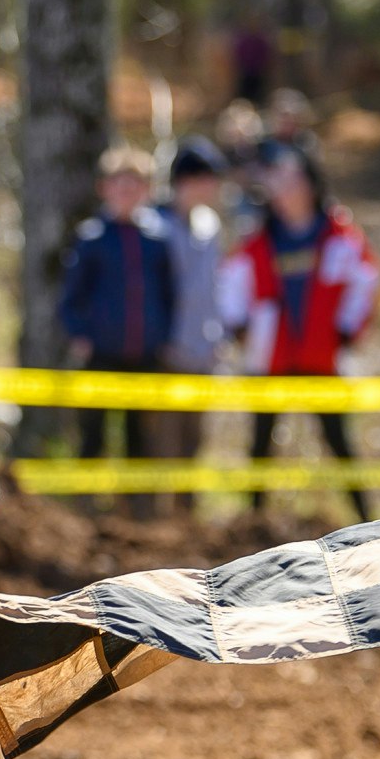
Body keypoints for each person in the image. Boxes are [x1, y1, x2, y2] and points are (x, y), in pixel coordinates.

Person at [217, 144, 380, 520]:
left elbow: (366, 281)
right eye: (279, 182)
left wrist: (347, 330)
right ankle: (253, 524)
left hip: (322, 358)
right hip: (268, 359)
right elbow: (232, 286)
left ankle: (367, 520)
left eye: (293, 181)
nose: (285, 190)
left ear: (311, 185)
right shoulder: (258, 241)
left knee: (340, 442)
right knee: (259, 444)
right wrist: (239, 327)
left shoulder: (339, 237)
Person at [53, 146, 177, 478]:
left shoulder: (157, 239)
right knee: (93, 432)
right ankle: (87, 503)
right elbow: (70, 298)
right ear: (105, 189)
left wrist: (162, 337)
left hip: (145, 355)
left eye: (135, 186)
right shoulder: (91, 239)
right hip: (101, 354)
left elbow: (168, 295)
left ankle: (134, 512)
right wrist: (81, 336)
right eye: (120, 186)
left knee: (139, 436)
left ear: (147, 190)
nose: (127, 193)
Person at [157, 137, 230, 513]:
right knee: (162, 441)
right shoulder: (156, 226)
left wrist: (217, 336)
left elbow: (211, 288)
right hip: (167, 354)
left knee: (194, 441)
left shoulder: (209, 225)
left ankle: (187, 515)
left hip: (202, 352)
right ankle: (159, 516)